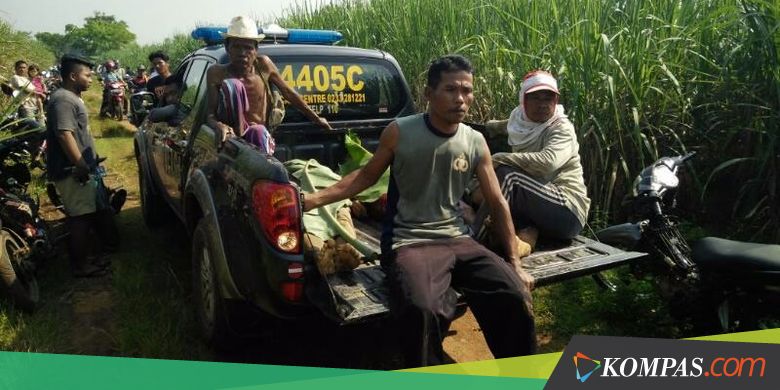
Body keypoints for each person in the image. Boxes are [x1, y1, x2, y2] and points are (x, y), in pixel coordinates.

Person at [303, 55, 536, 367]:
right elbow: (364, 177)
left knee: (513, 295)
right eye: (451, 89)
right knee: (422, 309)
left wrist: (514, 263)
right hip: (409, 242)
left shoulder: (475, 141)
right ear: (428, 94)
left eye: (467, 91)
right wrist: (310, 201)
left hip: (458, 240)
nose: (461, 99)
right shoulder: (399, 132)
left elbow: (496, 201)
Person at [471, 70, 590, 257]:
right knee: (475, 189)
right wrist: (477, 130)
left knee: (508, 176)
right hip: (535, 207)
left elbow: (548, 162)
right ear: (523, 100)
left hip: (567, 210)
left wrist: (497, 158)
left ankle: (473, 245)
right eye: (536, 98)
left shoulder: (560, 127)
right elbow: (502, 126)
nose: (543, 105)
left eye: (549, 98)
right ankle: (524, 241)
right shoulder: (519, 119)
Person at [206, 16, 331, 153]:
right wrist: (219, 126)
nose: (242, 53)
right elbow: (210, 114)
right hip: (231, 144)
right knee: (233, 86)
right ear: (227, 47)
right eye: (236, 47)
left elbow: (288, 93)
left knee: (258, 132)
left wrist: (316, 118)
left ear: (256, 49)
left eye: (248, 48)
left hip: (259, 141)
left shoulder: (264, 65)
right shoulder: (216, 73)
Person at [46, 54, 119, 278]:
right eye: (87, 75)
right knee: (80, 218)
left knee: (87, 213)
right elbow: (64, 135)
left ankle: (89, 256)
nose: (91, 78)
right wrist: (80, 164)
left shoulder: (70, 97)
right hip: (72, 171)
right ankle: (80, 265)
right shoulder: (64, 100)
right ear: (72, 75)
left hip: (80, 168)